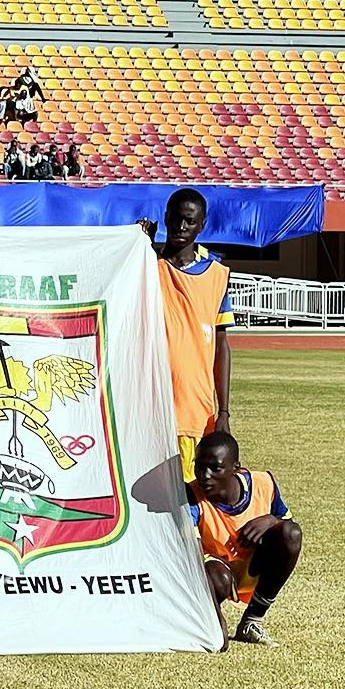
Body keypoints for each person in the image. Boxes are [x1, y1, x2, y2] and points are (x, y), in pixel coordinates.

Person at [137, 188, 234, 487]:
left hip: (195, 410)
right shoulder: (146, 266)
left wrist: (224, 411)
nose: (181, 227)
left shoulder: (217, 276)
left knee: (190, 503)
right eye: (176, 219)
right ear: (165, 218)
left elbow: (222, 346)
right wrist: (142, 244)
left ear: (201, 225)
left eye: (189, 221)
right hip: (148, 408)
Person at [191, 432, 301, 648]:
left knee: (291, 533)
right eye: (200, 466)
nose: (205, 475)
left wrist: (271, 519)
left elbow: (288, 528)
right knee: (215, 574)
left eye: (215, 467)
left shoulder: (263, 483)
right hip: (215, 575)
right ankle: (209, 619)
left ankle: (252, 621)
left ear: (236, 468)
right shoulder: (191, 494)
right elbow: (191, 557)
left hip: (253, 568)